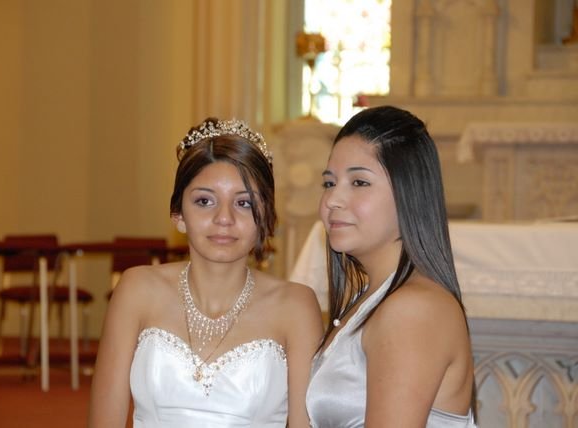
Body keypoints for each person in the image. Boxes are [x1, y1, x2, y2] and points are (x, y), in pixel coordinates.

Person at [88, 117, 323, 428]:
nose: (224, 218)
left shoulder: (296, 306)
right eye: (204, 201)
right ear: (178, 215)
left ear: (265, 216)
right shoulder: (137, 290)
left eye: (243, 203)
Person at [306, 106, 477, 427]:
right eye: (329, 183)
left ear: (408, 193)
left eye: (359, 182)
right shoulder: (373, 300)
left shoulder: (413, 309)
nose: (333, 200)